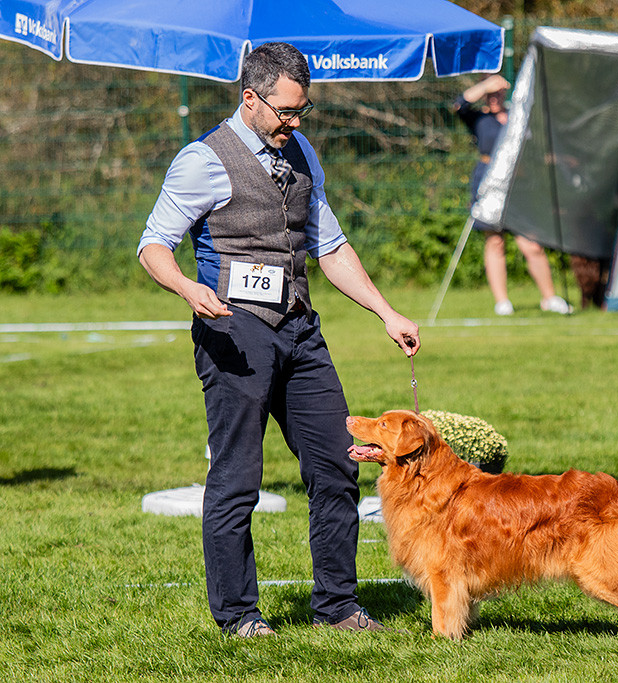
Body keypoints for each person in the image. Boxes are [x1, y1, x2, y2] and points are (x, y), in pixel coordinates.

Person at [138, 42, 421, 638]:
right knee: (238, 477)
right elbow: (153, 245)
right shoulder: (202, 160)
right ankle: (239, 615)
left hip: (300, 328)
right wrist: (189, 289)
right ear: (251, 98)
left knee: (338, 465)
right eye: (285, 112)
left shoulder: (301, 152)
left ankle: (338, 606)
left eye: (303, 110)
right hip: (234, 331)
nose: (295, 122)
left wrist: (384, 311)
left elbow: (330, 244)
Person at [454, 74, 572, 316]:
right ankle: (502, 302)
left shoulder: (517, 116)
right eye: (490, 94)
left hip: (518, 185)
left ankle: (549, 298)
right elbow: (459, 105)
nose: (494, 97)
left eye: (498, 92)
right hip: (488, 184)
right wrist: (487, 84)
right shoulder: (479, 118)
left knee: (531, 243)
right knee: (495, 241)